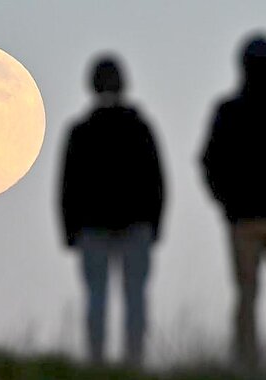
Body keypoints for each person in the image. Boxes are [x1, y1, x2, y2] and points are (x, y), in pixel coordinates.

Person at [59, 56, 165, 366]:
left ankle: (98, 363)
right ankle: (133, 362)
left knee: (98, 300)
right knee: (134, 299)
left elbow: (67, 186)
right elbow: (157, 180)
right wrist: (155, 224)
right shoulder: (140, 127)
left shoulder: (81, 131)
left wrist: (69, 230)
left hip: (95, 228)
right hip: (131, 228)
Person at [201, 34, 266, 370]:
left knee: (246, 297)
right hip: (248, 216)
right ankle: (247, 364)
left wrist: (226, 203)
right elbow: (210, 162)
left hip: (243, 219)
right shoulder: (229, 110)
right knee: (246, 297)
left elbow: (209, 162)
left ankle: (247, 365)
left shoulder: (229, 110)